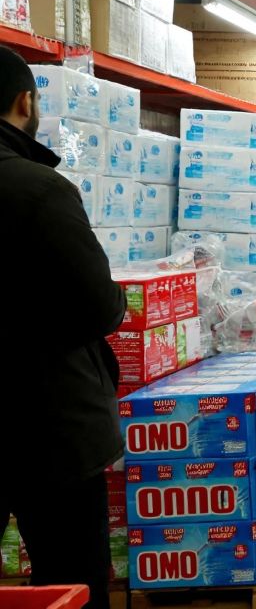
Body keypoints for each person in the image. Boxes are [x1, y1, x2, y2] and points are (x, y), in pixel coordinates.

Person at [0, 45, 126, 609]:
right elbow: (99, 305)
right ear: (25, 101)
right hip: (47, 422)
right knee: (70, 576)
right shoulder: (40, 190)